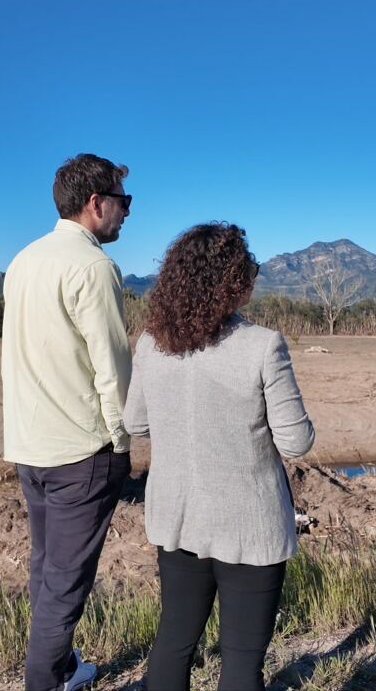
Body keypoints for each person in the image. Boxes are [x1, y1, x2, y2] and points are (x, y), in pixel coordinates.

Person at [123, 222, 315, 691]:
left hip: (179, 518)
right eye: (249, 270)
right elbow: (296, 442)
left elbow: (135, 423)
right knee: (242, 661)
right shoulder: (263, 345)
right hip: (250, 523)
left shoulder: (150, 343)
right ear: (232, 282)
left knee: (174, 642)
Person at [2, 153, 133, 691]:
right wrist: (121, 442)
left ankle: (60, 668)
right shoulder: (93, 267)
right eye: (124, 201)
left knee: (46, 568)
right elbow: (113, 368)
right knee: (65, 585)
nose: (127, 213)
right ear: (96, 203)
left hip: (30, 445)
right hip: (81, 451)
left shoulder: (23, 260)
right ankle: (46, 681)